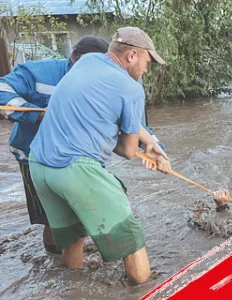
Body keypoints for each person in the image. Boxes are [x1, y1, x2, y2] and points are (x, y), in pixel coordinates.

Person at [29, 26, 170, 285]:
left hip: (39, 165)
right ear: (131, 56)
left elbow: (95, 108)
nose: (147, 69)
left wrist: (149, 142)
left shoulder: (88, 61)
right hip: (75, 169)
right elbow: (128, 151)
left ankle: (75, 288)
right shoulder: (132, 89)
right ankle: (145, 290)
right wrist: (138, 146)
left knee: (73, 238)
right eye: (147, 62)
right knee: (131, 239)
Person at [0, 35, 110, 254]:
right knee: (52, 217)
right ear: (76, 59)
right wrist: (39, 115)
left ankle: (67, 262)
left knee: (85, 211)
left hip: (79, 158)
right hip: (33, 156)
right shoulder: (39, 72)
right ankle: (55, 261)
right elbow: (2, 90)